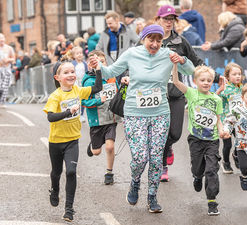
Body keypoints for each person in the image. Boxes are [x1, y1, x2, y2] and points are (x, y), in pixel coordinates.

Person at [90, 24, 195, 213]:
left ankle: (152, 196)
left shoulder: (167, 55)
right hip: (134, 113)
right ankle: (135, 182)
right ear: (143, 39)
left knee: (155, 158)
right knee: (140, 157)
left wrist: (182, 59)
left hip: (160, 114)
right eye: (151, 39)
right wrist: (99, 67)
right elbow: (111, 72)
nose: (154, 44)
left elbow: (190, 71)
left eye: (158, 40)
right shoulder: (132, 54)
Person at [43, 58, 103, 222]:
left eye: (72, 72)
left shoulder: (78, 90)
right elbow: (51, 117)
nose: (71, 75)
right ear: (57, 78)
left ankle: (69, 209)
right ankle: (55, 189)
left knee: (71, 172)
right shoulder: (55, 96)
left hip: (72, 141)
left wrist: (97, 69)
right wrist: (68, 112)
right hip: (56, 141)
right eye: (66, 72)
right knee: (56, 173)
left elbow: (98, 87)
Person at [155, 5, 206, 182]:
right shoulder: (150, 40)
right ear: (158, 20)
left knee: (175, 134)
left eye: (171, 19)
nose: (169, 22)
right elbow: (134, 61)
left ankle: (168, 147)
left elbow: (197, 62)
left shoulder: (180, 41)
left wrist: (216, 78)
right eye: (165, 19)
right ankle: (163, 166)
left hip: (176, 94)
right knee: (160, 133)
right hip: (155, 96)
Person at [172, 64, 224, 216]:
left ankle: (212, 201)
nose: (206, 83)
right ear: (195, 81)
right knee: (197, 168)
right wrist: (175, 66)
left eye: (209, 80)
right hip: (196, 139)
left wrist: (221, 130)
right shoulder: (191, 94)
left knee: (212, 170)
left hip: (212, 140)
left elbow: (218, 119)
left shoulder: (216, 99)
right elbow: (175, 82)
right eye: (203, 80)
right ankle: (196, 176)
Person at [82, 50, 122, 185]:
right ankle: (93, 145)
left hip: (111, 118)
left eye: (102, 61)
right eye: (96, 62)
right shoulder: (88, 82)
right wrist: (98, 100)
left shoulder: (111, 78)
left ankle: (109, 172)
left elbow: (117, 94)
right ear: (90, 65)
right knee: (96, 151)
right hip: (96, 121)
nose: (99, 64)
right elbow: (84, 102)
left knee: (110, 147)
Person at [216, 62, 244, 173]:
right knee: (228, 144)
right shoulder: (225, 89)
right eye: (234, 74)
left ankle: (236, 155)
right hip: (226, 120)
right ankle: (226, 163)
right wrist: (219, 91)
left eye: (239, 74)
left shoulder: (242, 88)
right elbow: (214, 99)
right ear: (227, 76)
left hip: (239, 121)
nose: (238, 76)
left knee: (240, 141)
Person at [0, 33, 15, 108]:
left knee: (5, 87)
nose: (1, 40)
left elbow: (13, 59)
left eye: (2, 38)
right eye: (0, 38)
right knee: (0, 86)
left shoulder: (9, 48)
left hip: (7, 69)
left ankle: (2, 102)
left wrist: (8, 60)